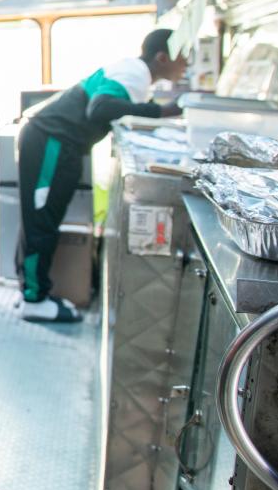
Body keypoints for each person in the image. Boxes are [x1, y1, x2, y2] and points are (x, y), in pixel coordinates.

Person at [16, 28, 188, 322]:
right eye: (184, 57)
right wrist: (161, 112)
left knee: (45, 218)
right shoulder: (133, 72)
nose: (187, 65)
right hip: (51, 141)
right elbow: (100, 109)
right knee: (42, 220)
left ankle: (34, 291)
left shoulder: (133, 72)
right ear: (162, 57)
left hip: (58, 144)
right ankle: (34, 298)